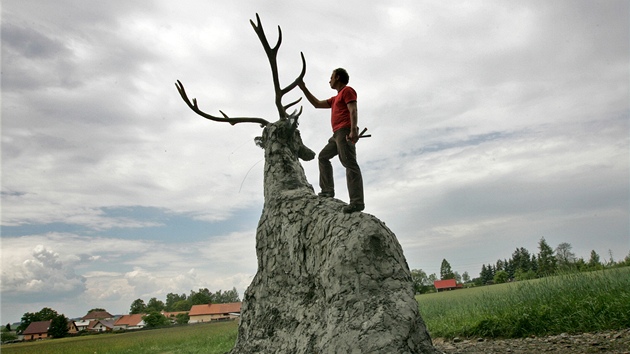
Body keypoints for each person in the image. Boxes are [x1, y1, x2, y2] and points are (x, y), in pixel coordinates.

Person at [298, 68, 365, 213]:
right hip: (336, 135)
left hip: (345, 131)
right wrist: (304, 88)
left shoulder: (347, 91)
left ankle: (357, 202)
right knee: (323, 157)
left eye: (331, 77)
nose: (329, 80)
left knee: (349, 163)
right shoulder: (335, 99)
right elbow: (316, 104)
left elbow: (353, 110)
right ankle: (327, 190)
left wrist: (353, 130)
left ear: (338, 77)